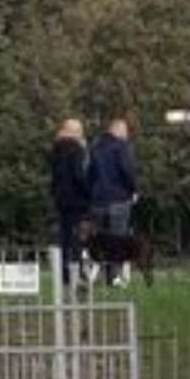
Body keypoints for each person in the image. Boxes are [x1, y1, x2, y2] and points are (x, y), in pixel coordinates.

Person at [86, 117, 138, 285]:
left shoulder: (95, 147)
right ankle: (114, 276)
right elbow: (127, 171)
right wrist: (133, 190)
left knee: (100, 238)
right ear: (118, 130)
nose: (127, 135)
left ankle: (95, 275)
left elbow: (89, 174)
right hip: (119, 199)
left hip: (98, 201)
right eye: (126, 131)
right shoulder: (122, 147)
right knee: (118, 238)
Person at [47, 119, 89, 285]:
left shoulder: (56, 148)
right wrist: (88, 191)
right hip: (77, 199)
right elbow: (79, 175)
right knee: (77, 238)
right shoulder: (76, 148)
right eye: (80, 130)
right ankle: (76, 271)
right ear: (75, 131)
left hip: (61, 199)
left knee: (64, 237)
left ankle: (64, 273)